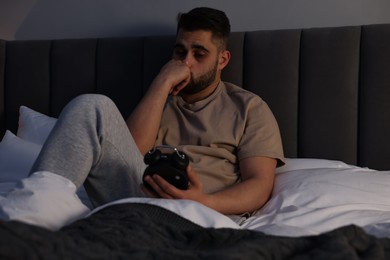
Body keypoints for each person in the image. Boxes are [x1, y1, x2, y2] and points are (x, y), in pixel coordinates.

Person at [29, 7, 285, 217]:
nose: (186, 62)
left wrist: (202, 201)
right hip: (140, 199)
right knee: (91, 105)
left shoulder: (249, 107)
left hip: (203, 212)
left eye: (199, 54)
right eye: (180, 51)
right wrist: (161, 84)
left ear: (222, 60)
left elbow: (259, 186)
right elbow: (129, 155)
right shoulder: (159, 99)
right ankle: (33, 211)